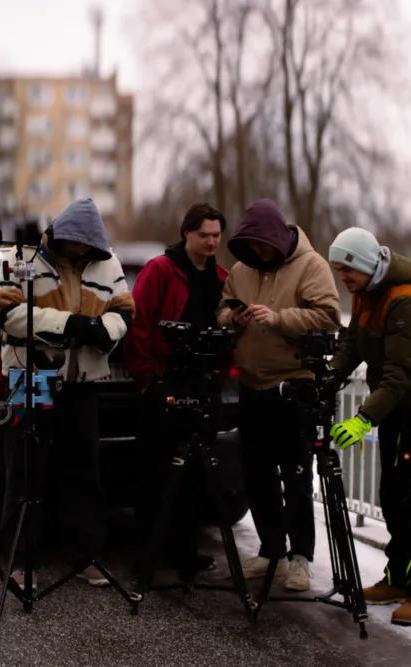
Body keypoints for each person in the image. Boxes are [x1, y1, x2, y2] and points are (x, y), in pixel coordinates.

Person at [0, 198, 135, 590]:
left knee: (84, 471)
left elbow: (124, 310)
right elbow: (6, 312)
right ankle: (21, 563)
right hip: (30, 375)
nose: (80, 251)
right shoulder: (21, 258)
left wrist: (104, 329)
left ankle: (86, 556)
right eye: (74, 243)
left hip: (82, 382)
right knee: (25, 468)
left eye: (87, 245)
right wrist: (72, 323)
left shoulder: (109, 263)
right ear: (60, 235)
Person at [325, 227, 411, 626]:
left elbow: (398, 374)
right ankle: (398, 578)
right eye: (339, 270)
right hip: (396, 407)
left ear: (364, 265)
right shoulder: (366, 294)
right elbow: (351, 347)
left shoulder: (404, 301)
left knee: (410, 499)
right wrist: (327, 379)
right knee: (392, 496)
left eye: (347, 269)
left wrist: (363, 420)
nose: (342, 278)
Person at [215, 198, 341, 592]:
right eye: (248, 247)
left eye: (259, 246)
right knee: (256, 474)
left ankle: (301, 556)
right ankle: (271, 548)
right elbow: (221, 309)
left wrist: (279, 318)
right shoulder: (241, 269)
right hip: (251, 388)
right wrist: (231, 318)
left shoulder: (312, 266)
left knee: (296, 475)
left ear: (274, 237)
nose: (255, 254)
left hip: (292, 388)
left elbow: (328, 316)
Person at [124, 203, 229, 578]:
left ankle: (185, 550)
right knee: (155, 472)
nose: (212, 241)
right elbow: (138, 324)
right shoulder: (160, 270)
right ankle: (148, 554)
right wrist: (148, 379)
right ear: (187, 233)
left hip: (204, 383)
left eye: (217, 235)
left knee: (196, 475)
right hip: (164, 382)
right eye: (205, 235)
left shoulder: (222, 277)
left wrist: (219, 375)